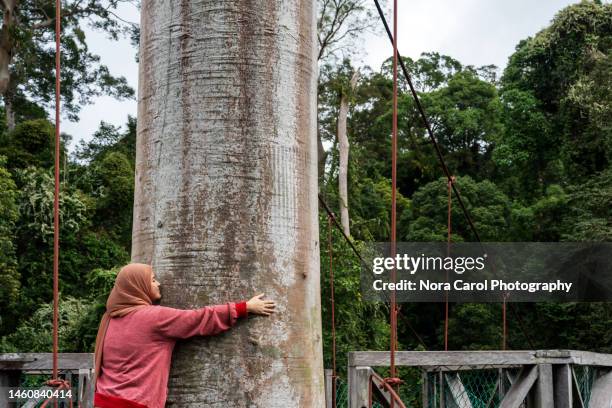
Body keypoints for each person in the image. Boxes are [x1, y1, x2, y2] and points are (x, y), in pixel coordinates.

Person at [93, 263, 275, 408]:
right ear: (137, 286)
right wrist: (244, 307)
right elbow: (198, 318)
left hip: (103, 400)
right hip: (133, 404)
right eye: (153, 280)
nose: (159, 284)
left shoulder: (109, 319)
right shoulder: (153, 317)